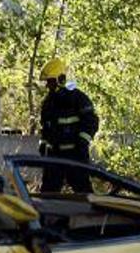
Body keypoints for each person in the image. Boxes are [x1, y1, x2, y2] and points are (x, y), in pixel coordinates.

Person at [37, 58, 98, 193]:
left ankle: (92, 214)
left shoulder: (78, 98)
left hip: (75, 155)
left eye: (50, 81)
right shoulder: (48, 103)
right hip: (54, 156)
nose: (48, 85)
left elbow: (91, 121)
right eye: (47, 82)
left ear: (60, 79)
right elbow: (46, 129)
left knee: (84, 193)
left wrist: (83, 141)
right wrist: (43, 144)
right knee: (48, 194)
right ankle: (47, 214)